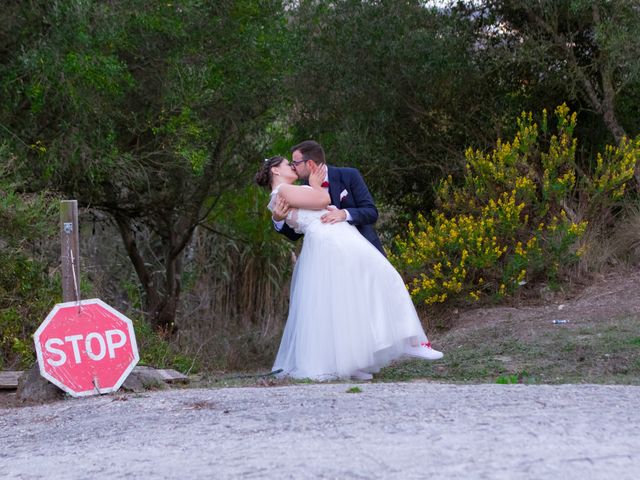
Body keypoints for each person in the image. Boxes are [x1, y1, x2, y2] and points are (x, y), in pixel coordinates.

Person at [255, 154, 443, 381]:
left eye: (295, 162)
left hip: (331, 238)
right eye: (287, 164)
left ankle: (357, 359)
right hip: (331, 239)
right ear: (275, 171)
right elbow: (322, 200)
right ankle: (408, 340)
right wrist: (315, 186)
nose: (293, 167)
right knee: (381, 277)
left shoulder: (285, 193)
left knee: (346, 300)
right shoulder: (284, 191)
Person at [271, 140, 385, 255]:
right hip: (326, 257)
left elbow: (371, 212)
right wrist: (278, 220)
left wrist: (344, 214)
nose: (293, 167)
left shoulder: (349, 175)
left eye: (295, 163)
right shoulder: (303, 188)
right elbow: (294, 234)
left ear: (309, 164)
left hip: (364, 250)